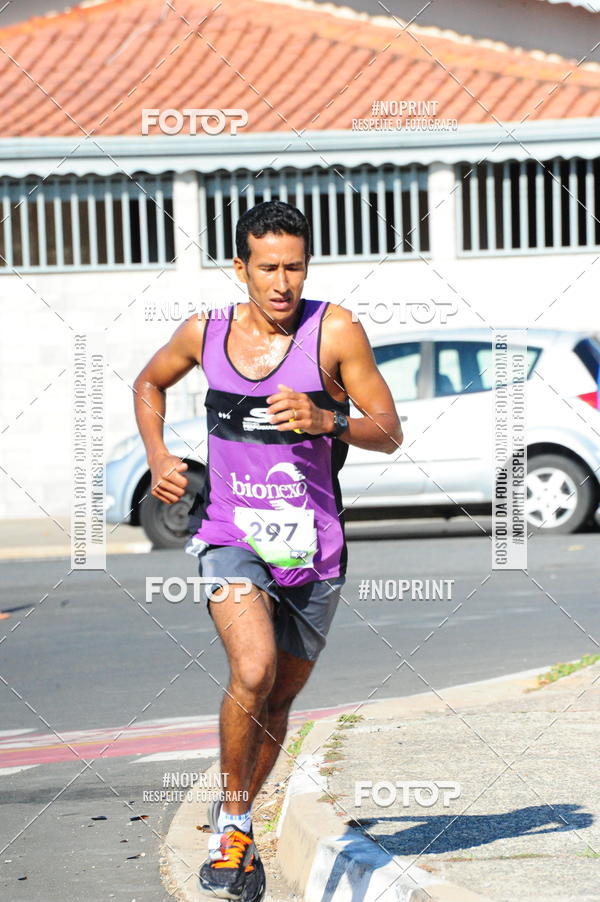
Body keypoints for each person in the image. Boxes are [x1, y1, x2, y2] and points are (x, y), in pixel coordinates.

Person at [133, 200, 403, 900]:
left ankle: (241, 819)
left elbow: (388, 429)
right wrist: (159, 453)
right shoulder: (206, 332)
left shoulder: (334, 330)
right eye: (268, 268)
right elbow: (149, 382)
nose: (282, 283)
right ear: (240, 268)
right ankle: (232, 827)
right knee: (250, 669)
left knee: (279, 700)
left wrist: (326, 417)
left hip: (315, 545)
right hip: (232, 535)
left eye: (295, 267)